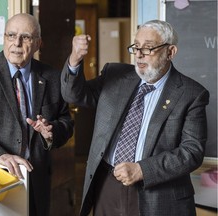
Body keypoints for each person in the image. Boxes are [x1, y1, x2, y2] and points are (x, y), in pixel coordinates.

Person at [61, 19, 209, 216]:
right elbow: (74, 95)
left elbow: (192, 152)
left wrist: (142, 170)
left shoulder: (191, 94)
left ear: (170, 52)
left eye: (148, 48)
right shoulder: (115, 75)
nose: (139, 54)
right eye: (136, 47)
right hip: (108, 185)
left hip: (157, 193)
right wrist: (75, 59)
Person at [0, 13, 74, 216]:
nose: (17, 43)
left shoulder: (52, 77)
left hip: (36, 180)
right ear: (4, 38)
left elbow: (66, 122)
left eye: (26, 37)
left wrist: (50, 133)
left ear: (38, 43)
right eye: (11, 35)